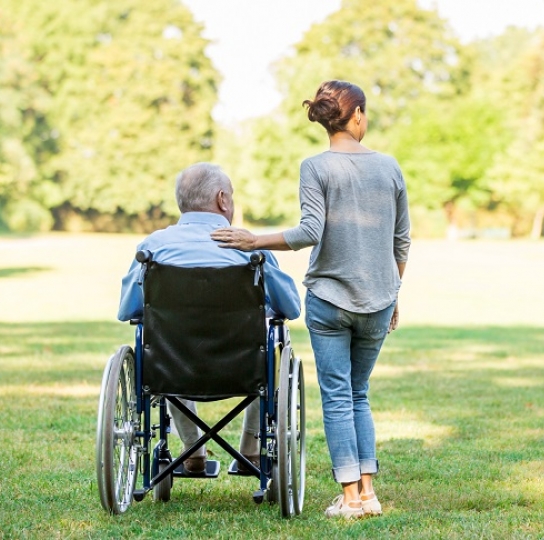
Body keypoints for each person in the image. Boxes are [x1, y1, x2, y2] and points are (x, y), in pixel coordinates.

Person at [211, 80, 411, 519]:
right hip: (378, 300)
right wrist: (393, 295)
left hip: (329, 299)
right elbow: (401, 243)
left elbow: (309, 232)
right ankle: (369, 493)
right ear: (356, 115)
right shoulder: (390, 167)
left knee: (338, 395)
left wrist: (254, 240)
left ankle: (351, 498)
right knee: (359, 393)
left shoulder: (314, 167)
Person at [117, 162, 301, 475]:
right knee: (273, 344)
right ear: (222, 199)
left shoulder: (153, 248)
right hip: (243, 367)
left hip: (172, 368)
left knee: (164, 342)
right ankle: (252, 452)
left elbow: (128, 312)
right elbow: (292, 309)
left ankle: (193, 454)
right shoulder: (250, 249)